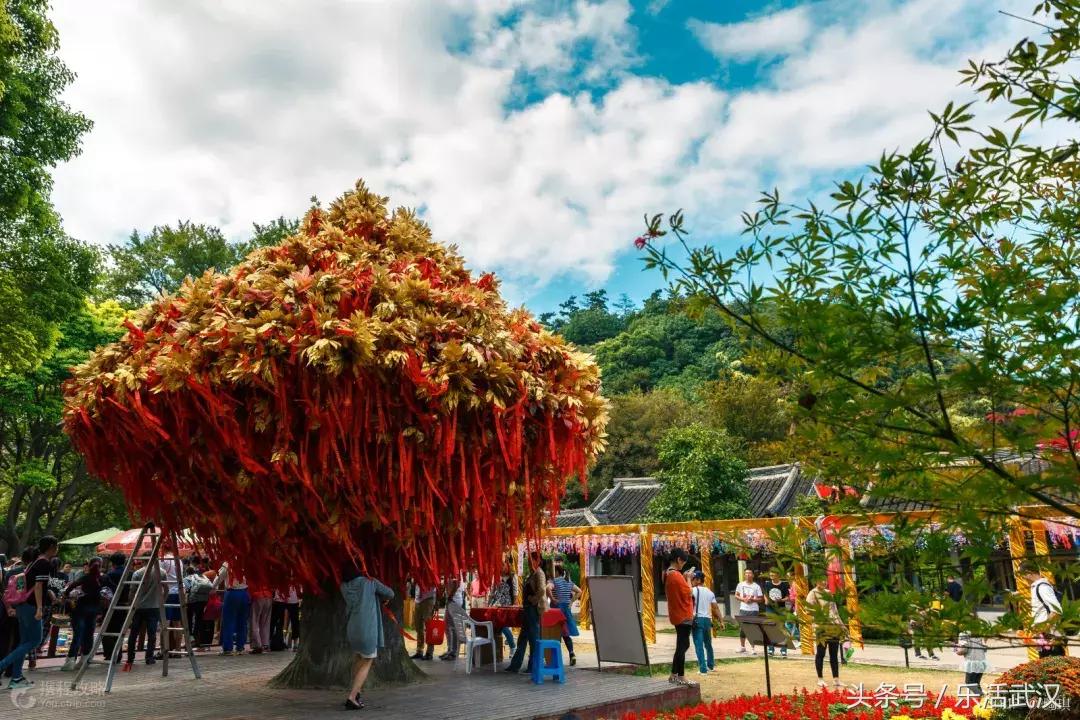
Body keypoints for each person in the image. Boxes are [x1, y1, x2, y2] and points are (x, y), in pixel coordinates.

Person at [0, 536, 58, 689]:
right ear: (52, 546)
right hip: (32, 607)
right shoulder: (44, 563)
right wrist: (39, 608)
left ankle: (17, 678)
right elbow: (38, 586)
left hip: (22, 605)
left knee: (23, 643)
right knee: (34, 641)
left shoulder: (34, 561)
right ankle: (2, 666)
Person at [341, 562, 394, 710]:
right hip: (367, 628)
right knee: (368, 659)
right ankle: (352, 697)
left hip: (352, 628)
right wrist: (379, 596)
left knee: (359, 657)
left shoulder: (344, 586)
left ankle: (356, 692)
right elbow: (390, 593)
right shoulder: (369, 583)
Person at [61, 556, 104, 671]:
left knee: (78, 635)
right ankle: (84, 660)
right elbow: (112, 589)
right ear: (101, 567)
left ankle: (70, 662)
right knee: (89, 635)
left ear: (89, 566)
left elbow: (71, 586)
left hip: (80, 609)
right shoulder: (102, 579)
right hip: (94, 610)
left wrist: (65, 596)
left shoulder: (85, 577)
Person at [505, 551, 545, 674]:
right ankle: (515, 665)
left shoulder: (539, 573)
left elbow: (542, 590)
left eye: (531, 560)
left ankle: (533, 666)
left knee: (533, 638)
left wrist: (533, 600)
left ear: (537, 560)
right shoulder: (532, 573)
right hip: (528, 609)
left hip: (533, 609)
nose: (529, 562)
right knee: (523, 638)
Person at [805, 576, 844, 689]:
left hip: (833, 626)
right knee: (821, 653)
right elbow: (808, 610)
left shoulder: (828, 593)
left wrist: (841, 625)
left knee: (834, 654)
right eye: (822, 580)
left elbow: (834, 610)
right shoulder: (812, 593)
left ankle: (836, 679)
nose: (824, 582)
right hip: (821, 627)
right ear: (816, 581)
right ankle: (820, 679)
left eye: (825, 580)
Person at [125, 560, 164, 670]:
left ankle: (130, 658)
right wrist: (161, 601)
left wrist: (131, 605)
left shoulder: (137, 573)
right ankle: (149, 657)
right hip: (154, 606)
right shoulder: (161, 572)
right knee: (152, 633)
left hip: (139, 607)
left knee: (134, 633)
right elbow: (166, 589)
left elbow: (132, 591)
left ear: (143, 561)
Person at [664, 548, 694, 686]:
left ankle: (673, 674)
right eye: (683, 562)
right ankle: (680, 675)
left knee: (682, 644)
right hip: (683, 614)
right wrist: (688, 578)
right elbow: (689, 592)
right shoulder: (675, 575)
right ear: (679, 560)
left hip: (676, 613)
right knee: (682, 645)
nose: (683, 565)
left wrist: (684, 577)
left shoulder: (667, 574)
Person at [1022, 562, 1065, 657]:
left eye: (1021, 575)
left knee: (1055, 669)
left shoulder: (1042, 587)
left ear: (1028, 572)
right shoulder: (1037, 587)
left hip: (1050, 640)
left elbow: (1056, 611)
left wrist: (1042, 630)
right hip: (1044, 640)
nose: (1021, 578)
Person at [547, 562, 581, 666]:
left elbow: (548, 588)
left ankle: (554, 658)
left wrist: (552, 599)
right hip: (566, 611)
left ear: (557, 572)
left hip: (556, 611)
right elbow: (579, 591)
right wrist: (571, 602)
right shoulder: (568, 582)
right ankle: (572, 654)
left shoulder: (554, 581)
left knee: (554, 635)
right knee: (566, 635)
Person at [214, 561, 251, 655]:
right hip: (244, 593)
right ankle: (240, 647)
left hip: (232, 593)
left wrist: (213, 587)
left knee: (229, 621)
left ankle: (227, 648)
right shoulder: (245, 562)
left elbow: (219, 577)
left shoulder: (227, 563)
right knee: (242, 622)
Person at [690, 571, 723, 674]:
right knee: (708, 644)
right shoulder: (710, 592)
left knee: (699, 645)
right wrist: (721, 621)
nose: (692, 581)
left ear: (698, 580)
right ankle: (711, 665)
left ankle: (703, 669)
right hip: (707, 620)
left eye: (693, 579)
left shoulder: (693, 590)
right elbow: (715, 608)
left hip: (697, 620)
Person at [100, 552, 127, 662]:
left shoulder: (110, 575)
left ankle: (110, 654)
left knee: (107, 630)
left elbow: (104, 592)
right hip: (125, 605)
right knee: (119, 630)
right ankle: (118, 653)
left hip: (111, 605)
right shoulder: (129, 573)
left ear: (112, 562)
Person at [487, 562, 517, 655]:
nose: (501, 567)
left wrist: (514, 604)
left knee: (503, 625)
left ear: (508, 566)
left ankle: (512, 646)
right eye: (500, 565)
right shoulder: (496, 576)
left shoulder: (513, 577)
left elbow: (515, 591)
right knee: (498, 625)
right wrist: (488, 603)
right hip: (496, 604)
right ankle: (496, 650)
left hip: (507, 604)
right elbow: (492, 591)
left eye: (503, 565)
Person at [955, 620, 989, 696]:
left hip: (972, 662)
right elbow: (985, 648)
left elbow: (963, 650)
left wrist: (956, 649)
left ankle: (982, 696)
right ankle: (982, 700)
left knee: (969, 683)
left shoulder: (964, 634)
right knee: (976, 684)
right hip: (982, 662)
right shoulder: (979, 634)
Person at [734, 569, 764, 654]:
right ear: (744, 575)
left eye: (749, 573)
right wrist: (743, 599)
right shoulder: (740, 584)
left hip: (753, 610)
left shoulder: (756, 586)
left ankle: (753, 648)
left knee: (752, 628)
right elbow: (736, 595)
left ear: (753, 575)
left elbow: (761, 599)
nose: (747, 575)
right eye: (746, 573)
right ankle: (742, 647)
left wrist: (753, 600)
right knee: (743, 628)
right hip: (743, 609)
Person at [184, 566, 213, 651]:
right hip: (203, 600)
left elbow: (188, 589)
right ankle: (199, 640)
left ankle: (191, 638)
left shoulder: (186, 579)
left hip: (192, 601)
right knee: (199, 619)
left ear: (187, 572)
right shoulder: (202, 577)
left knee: (189, 619)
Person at [763, 569, 791, 658]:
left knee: (782, 628)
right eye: (770, 575)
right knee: (770, 628)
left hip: (781, 608)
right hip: (770, 608)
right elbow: (765, 594)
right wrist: (766, 600)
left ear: (778, 575)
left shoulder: (784, 584)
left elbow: (788, 597)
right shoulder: (767, 583)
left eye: (773, 575)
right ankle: (771, 649)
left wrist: (781, 600)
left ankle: (783, 649)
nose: (772, 576)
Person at [441, 574, 469, 661]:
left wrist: (450, 596)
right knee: (447, 626)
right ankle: (450, 649)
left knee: (453, 627)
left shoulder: (456, 570)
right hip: (451, 600)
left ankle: (454, 652)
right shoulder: (451, 570)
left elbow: (456, 584)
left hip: (454, 600)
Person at [410, 581, 438, 660]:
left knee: (429, 627)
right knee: (418, 627)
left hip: (428, 598)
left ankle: (429, 652)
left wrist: (436, 602)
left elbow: (436, 583)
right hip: (418, 599)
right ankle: (419, 650)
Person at [249, 583, 273, 654]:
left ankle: (257, 645)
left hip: (257, 595)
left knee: (254, 621)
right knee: (265, 622)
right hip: (268, 595)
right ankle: (265, 644)